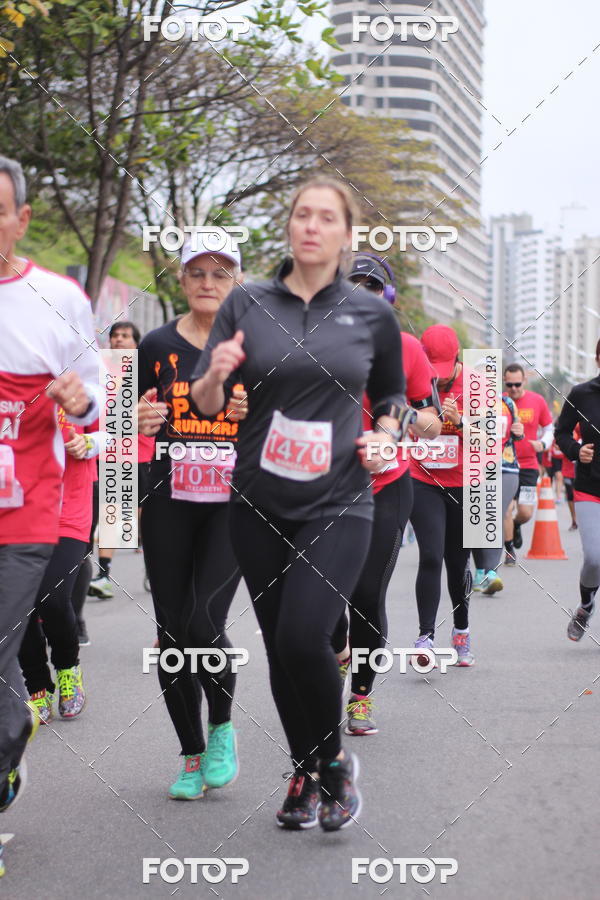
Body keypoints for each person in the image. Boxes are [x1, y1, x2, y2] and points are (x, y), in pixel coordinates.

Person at [191, 178, 407, 831]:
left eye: (327, 217)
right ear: (289, 228)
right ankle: (310, 770)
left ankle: (330, 760)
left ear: (345, 233)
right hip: (257, 502)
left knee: (301, 633)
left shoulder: (372, 315)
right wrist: (216, 373)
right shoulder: (247, 304)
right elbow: (203, 402)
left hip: (339, 502)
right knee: (285, 649)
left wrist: (387, 433)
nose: (312, 226)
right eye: (302, 215)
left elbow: (395, 398)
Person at [0, 156, 100, 817]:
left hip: (26, 515)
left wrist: (78, 400)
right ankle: (9, 742)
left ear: (21, 219)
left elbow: (94, 403)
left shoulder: (59, 299)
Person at [137, 230, 247, 802]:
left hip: (231, 506)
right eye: (198, 273)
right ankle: (189, 755)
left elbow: (282, 428)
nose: (209, 284)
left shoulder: (256, 348)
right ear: (182, 281)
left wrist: (251, 417)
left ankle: (222, 725)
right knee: (172, 633)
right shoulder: (155, 344)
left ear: (237, 283)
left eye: (220, 274)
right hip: (169, 501)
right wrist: (139, 419)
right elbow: (123, 422)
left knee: (205, 625)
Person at [331, 253, 441, 736]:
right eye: (353, 286)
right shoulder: (316, 343)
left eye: (372, 288)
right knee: (328, 596)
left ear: (387, 298)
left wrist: (401, 422)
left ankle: (361, 696)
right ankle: (336, 651)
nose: (362, 295)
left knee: (366, 593)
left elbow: (433, 422)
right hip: (328, 489)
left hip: (387, 487)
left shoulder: (407, 349)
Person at [19, 411, 102, 722]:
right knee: (18, 601)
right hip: (18, 502)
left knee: (52, 597)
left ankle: (68, 667)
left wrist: (88, 441)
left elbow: (113, 433)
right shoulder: (11, 375)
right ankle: (37, 686)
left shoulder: (79, 371)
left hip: (71, 501)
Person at [409, 324, 475, 666]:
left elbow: (491, 441)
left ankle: (461, 629)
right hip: (422, 478)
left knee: (457, 561)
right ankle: (426, 637)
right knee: (431, 556)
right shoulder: (414, 376)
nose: (440, 380)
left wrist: (460, 421)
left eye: (445, 372)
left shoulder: (477, 384)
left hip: (463, 483)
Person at [88, 320, 154, 600]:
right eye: (115, 336)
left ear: (136, 343)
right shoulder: (101, 370)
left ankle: (155, 570)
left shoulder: (146, 370)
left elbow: (152, 410)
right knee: (112, 512)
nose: (119, 340)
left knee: (143, 516)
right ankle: (104, 575)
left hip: (140, 451)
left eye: (126, 336)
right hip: (108, 450)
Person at [555, 342, 600, 641]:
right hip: (589, 488)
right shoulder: (582, 393)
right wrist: (575, 450)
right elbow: (560, 431)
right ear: (597, 357)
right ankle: (586, 604)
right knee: (595, 558)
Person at [472, 392, 523, 594]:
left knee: (494, 514)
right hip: (476, 467)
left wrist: (518, 431)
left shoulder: (507, 402)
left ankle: (491, 572)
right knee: (477, 517)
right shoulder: (467, 400)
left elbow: (518, 432)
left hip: (506, 467)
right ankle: (479, 570)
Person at [503, 365, 553, 565]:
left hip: (529, 465)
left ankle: (514, 526)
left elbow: (549, 428)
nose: (513, 388)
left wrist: (542, 444)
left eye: (517, 384)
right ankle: (509, 550)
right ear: (504, 381)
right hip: (504, 465)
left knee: (525, 512)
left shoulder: (537, 401)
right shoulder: (498, 401)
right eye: (509, 384)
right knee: (506, 508)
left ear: (524, 381)